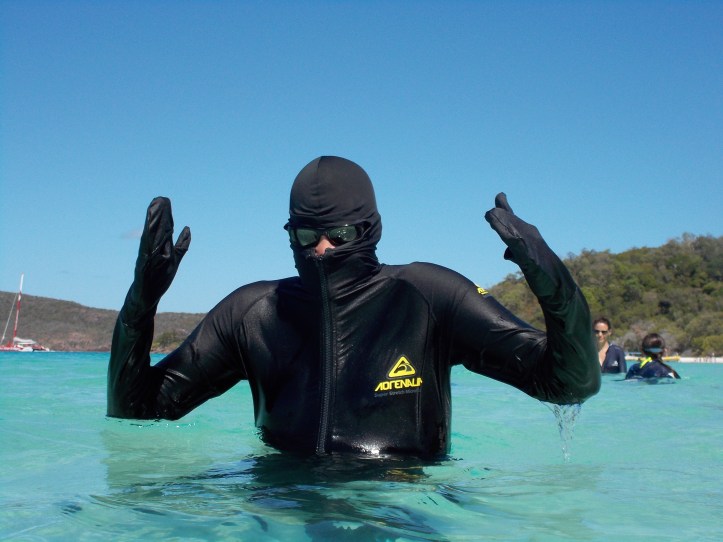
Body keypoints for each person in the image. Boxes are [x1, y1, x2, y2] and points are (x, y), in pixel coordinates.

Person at [107, 156, 600, 458]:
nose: (321, 249)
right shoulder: (252, 312)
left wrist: (553, 283)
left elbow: (568, 384)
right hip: (284, 502)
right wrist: (141, 301)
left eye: (340, 234)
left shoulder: (428, 296)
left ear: (370, 229)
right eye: (306, 235)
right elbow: (138, 409)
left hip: (398, 506)